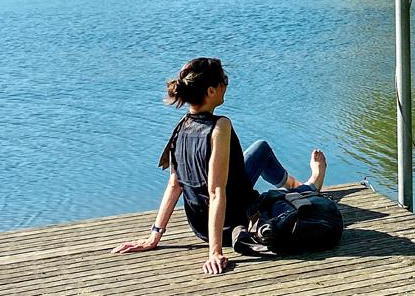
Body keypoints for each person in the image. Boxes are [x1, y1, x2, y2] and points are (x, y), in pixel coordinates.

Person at [111, 56, 327, 275]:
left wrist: (154, 236)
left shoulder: (181, 127)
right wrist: (214, 252)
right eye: (223, 80)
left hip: (201, 228)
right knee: (280, 200)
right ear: (211, 91)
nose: (226, 84)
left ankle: (293, 183)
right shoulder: (220, 126)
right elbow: (215, 192)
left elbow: (174, 185)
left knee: (260, 149)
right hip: (228, 223)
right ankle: (310, 185)